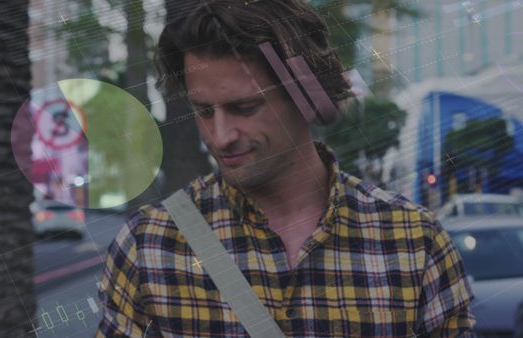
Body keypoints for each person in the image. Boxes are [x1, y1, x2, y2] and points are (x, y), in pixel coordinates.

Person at [96, 0, 475, 337]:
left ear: (309, 98)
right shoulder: (148, 245)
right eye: (204, 111)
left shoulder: (413, 242)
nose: (220, 136)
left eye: (244, 108)